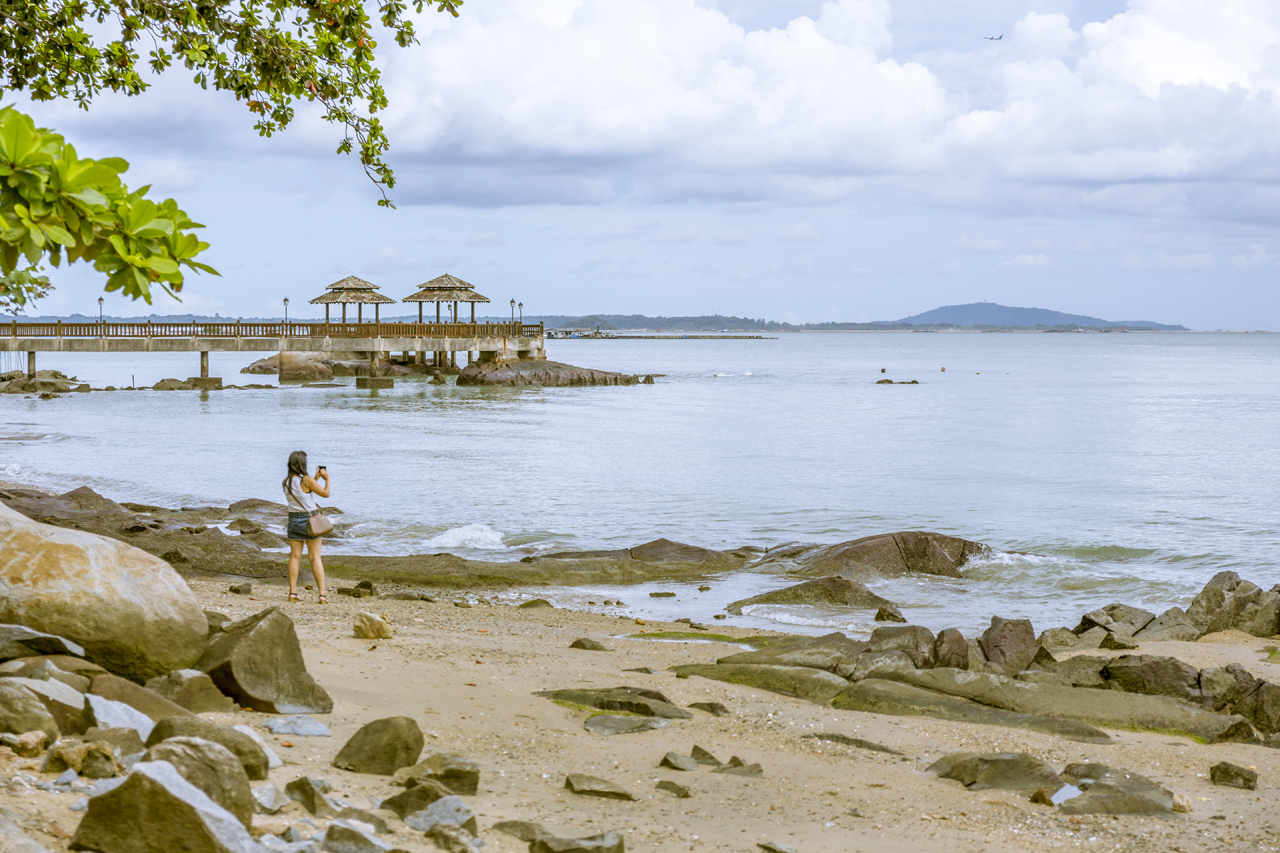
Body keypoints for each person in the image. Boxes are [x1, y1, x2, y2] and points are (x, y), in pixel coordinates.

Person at [282, 450, 331, 603]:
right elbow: (325, 494)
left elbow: (304, 491)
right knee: (315, 558)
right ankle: (322, 595)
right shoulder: (307, 479)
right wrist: (327, 479)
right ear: (303, 464)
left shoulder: (286, 482)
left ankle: (292, 593)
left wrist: (315, 478)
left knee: (295, 557)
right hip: (310, 521)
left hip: (293, 521)